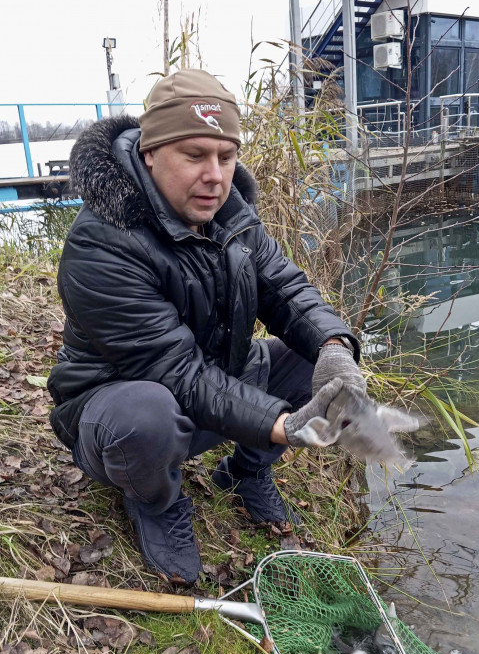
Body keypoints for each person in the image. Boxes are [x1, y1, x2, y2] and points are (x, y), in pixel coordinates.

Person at [48, 69, 366, 585]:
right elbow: (175, 372)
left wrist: (335, 347)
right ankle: (156, 501)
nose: (216, 175)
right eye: (194, 156)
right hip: (115, 405)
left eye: (226, 156)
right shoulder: (100, 244)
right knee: (146, 416)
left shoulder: (232, 213)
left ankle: (244, 473)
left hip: (214, 377)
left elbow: (286, 290)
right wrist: (283, 425)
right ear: (151, 154)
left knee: (319, 360)